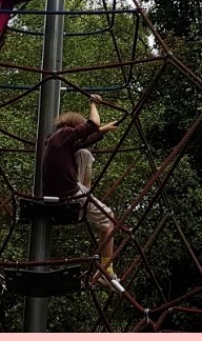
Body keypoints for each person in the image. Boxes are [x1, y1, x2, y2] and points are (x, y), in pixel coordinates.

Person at [42, 103, 119, 279]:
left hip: (59, 191)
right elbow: (93, 125)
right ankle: (106, 271)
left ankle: (86, 194)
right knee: (109, 220)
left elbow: (89, 138)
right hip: (69, 194)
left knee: (83, 152)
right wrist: (92, 103)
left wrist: (105, 128)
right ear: (74, 127)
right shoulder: (65, 135)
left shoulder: (57, 141)